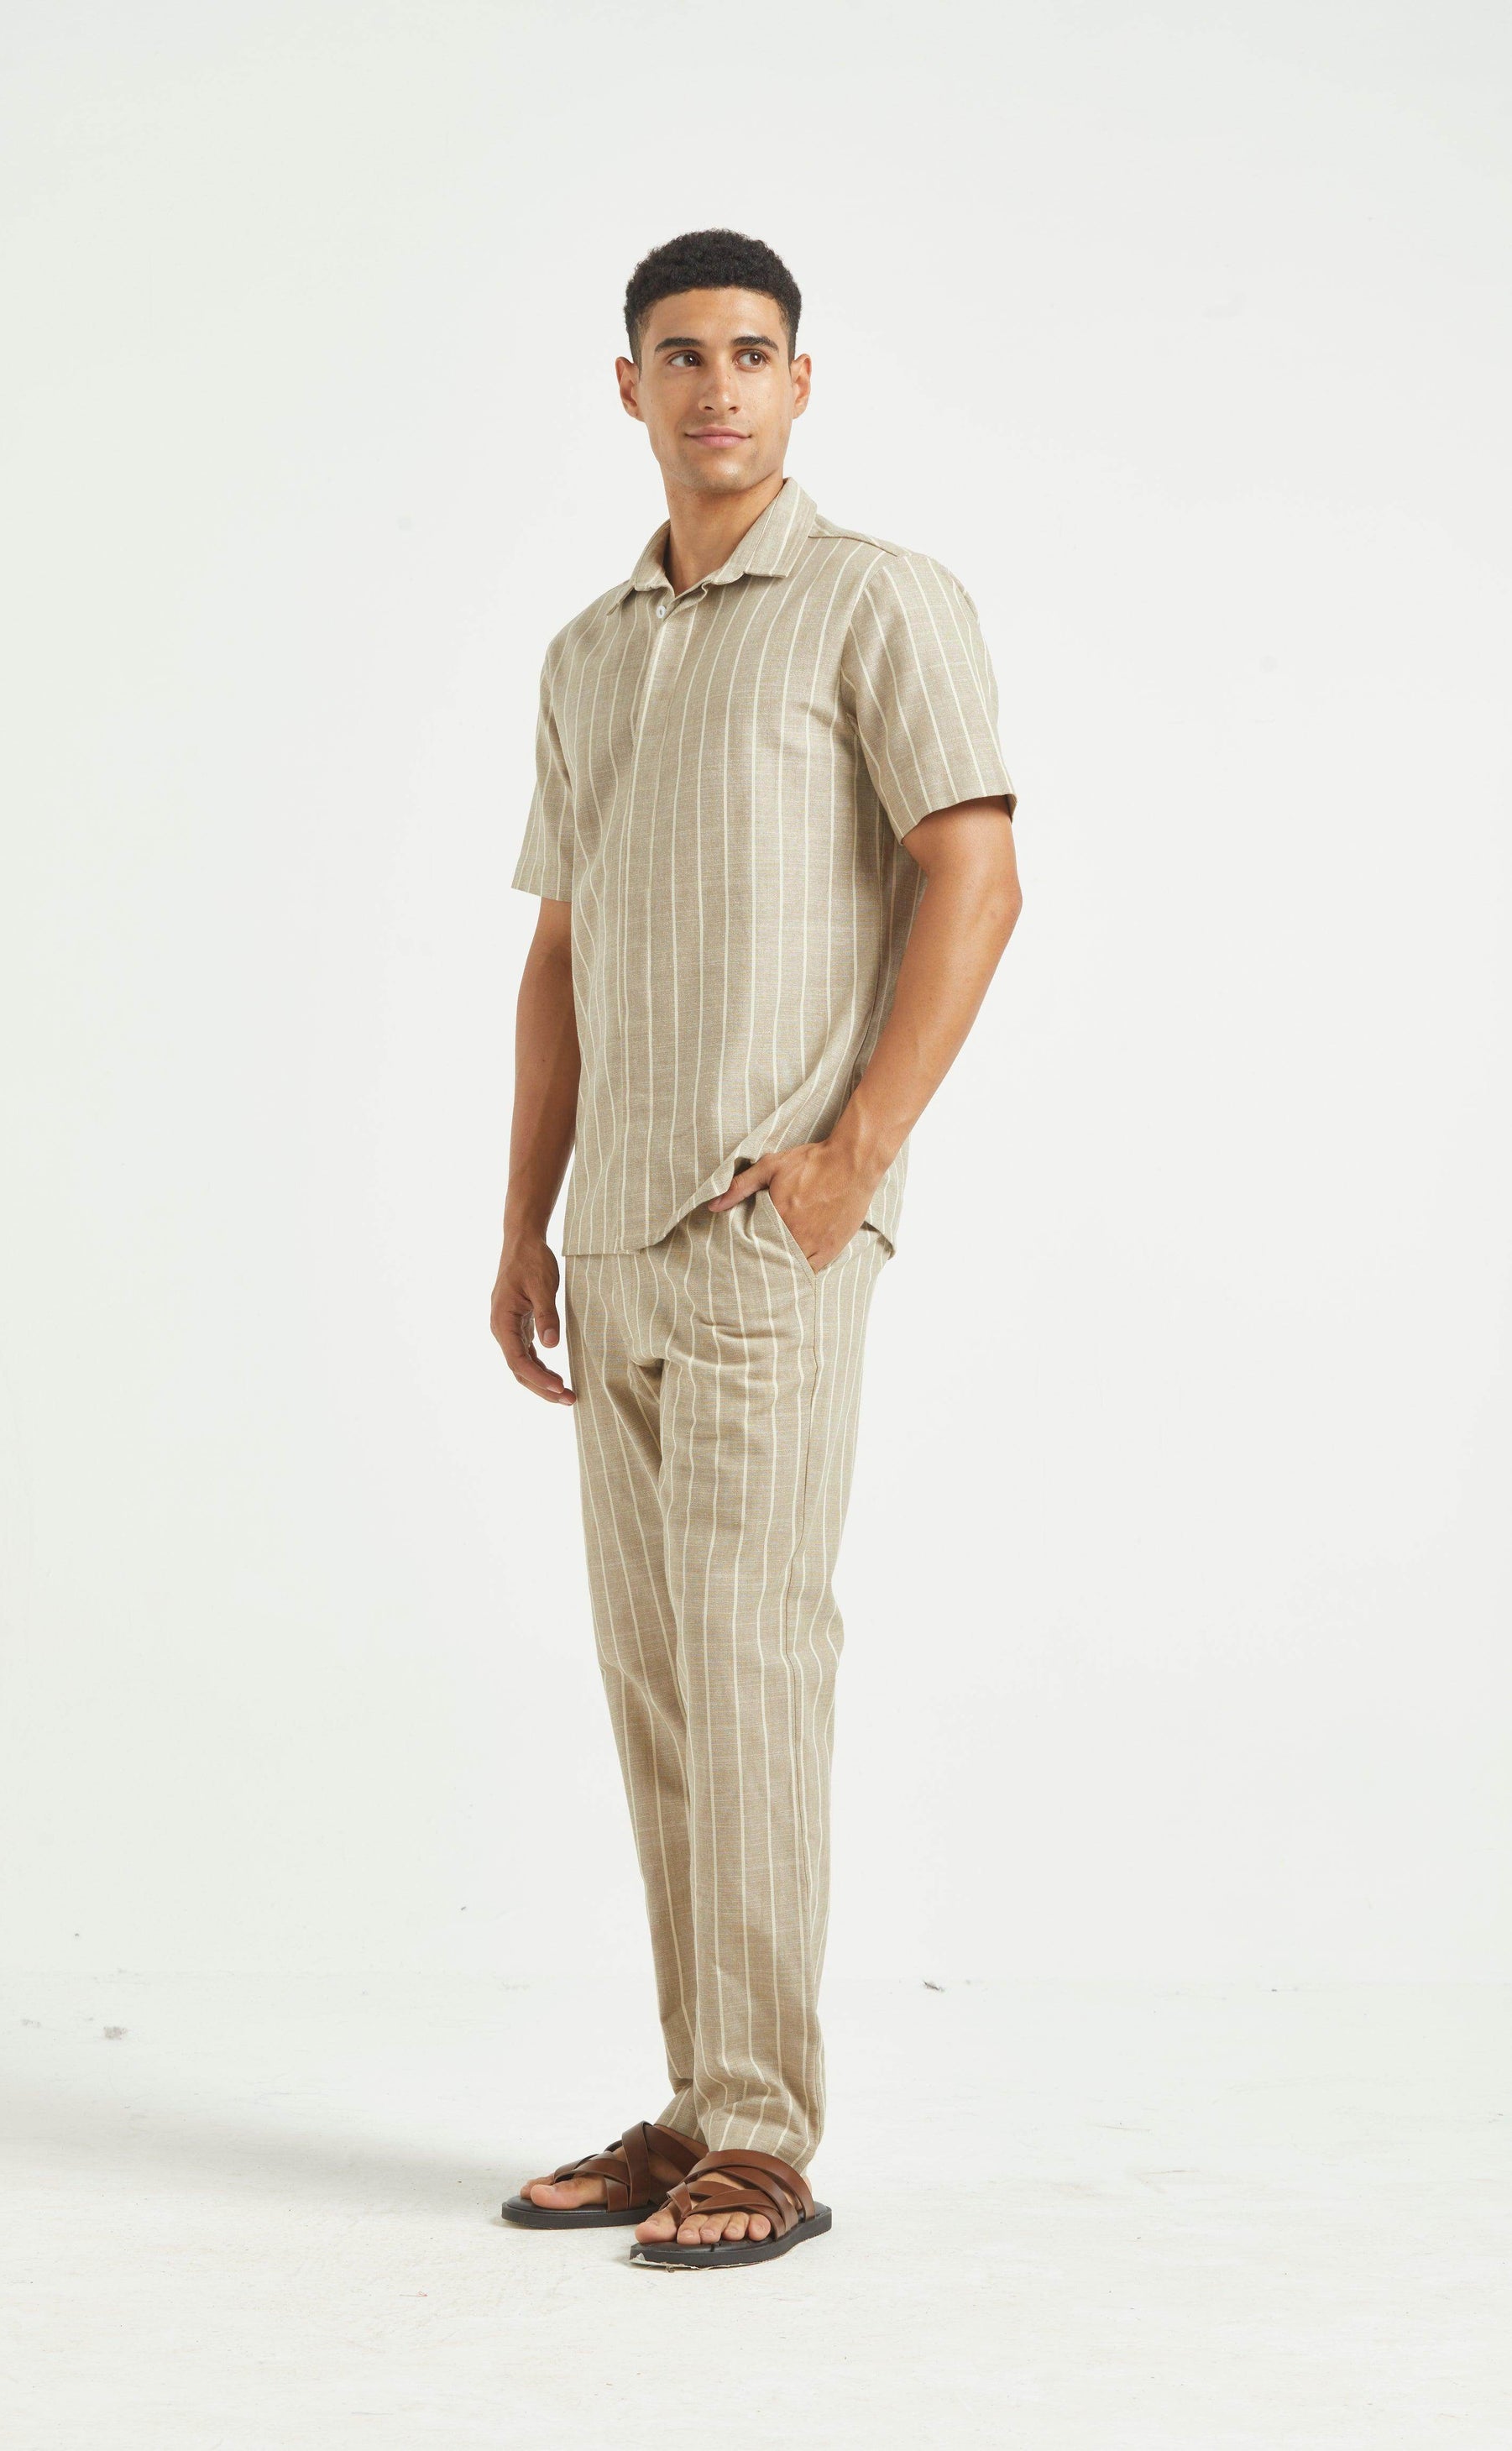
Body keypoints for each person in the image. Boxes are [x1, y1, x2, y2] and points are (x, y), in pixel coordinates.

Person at [490, 228, 1023, 2269]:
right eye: (679, 353)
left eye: (751, 351)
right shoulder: (588, 649)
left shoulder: (877, 599)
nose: (716, 384)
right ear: (626, 386)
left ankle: (766, 2138)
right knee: (658, 1690)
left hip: (757, 1237)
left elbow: (973, 868)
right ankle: (700, 2101)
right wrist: (520, 1216)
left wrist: (850, 1156)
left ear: (801, 382)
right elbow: (559, 950)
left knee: (753, 1664)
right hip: (614, 1237)